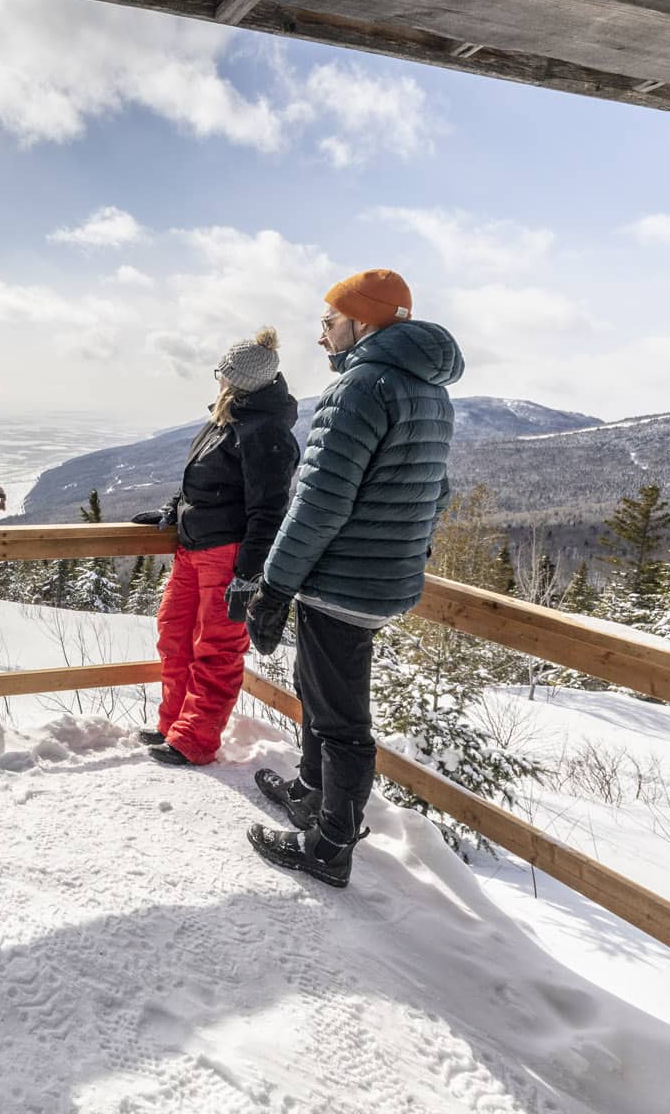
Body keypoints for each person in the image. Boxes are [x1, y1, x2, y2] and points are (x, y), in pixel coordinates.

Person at [242, 268, 462, 888]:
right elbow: (436, 492)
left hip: (340, 581)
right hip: (380, 579)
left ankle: (328, 845)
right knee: (320, 693)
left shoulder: (362, 387)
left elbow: (319, 502)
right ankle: (310, 792)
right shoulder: (428, 391)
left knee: (340, 719)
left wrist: (274, 587)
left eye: (329, 321)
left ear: (363, 320)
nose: (321, 335)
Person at [131, 328, 299, 767]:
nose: (218, 380)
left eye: (223, 374)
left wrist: (248, 574)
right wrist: (172, 509)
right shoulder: (228, 419)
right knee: (174, 636)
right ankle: (173, 723)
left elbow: (268, 509)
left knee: (217, 648)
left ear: (239, 380)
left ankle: (196, 739)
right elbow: (202, 481)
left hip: (228, 554)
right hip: (192, 548)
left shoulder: (266, 432)